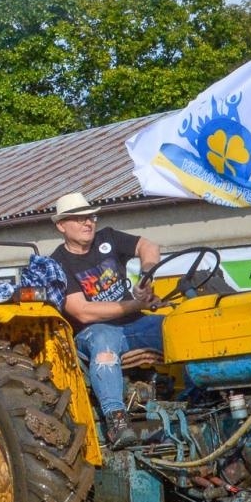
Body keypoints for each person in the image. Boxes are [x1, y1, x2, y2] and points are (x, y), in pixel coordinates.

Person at [48, 191, 162, 449]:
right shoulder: (57, 263)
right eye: (78, 219)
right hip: (93, 331)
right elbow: (82, 312)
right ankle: (116, 421)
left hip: (135, 323)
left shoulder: (108, 238)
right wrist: (135, 303)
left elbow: (149, 247)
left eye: (90, 217)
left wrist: (145, 277)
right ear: (61, 226)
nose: (88, 223)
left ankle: (200, 397)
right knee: (103, 342)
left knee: (175, 326)